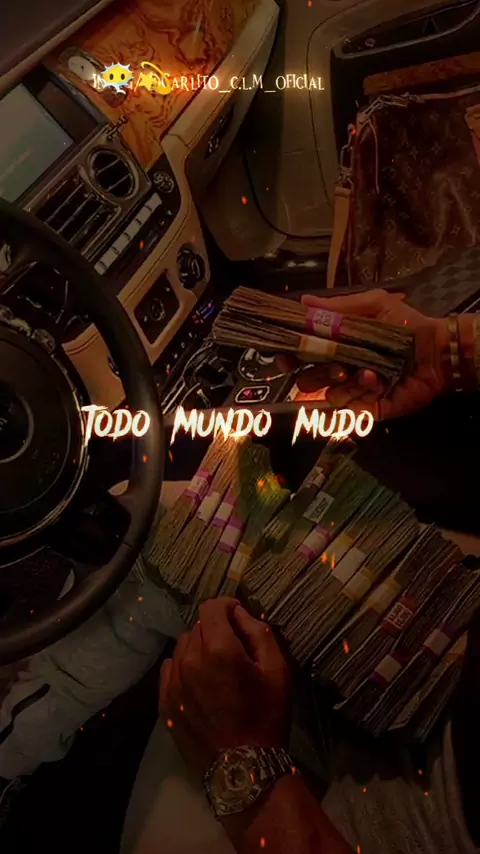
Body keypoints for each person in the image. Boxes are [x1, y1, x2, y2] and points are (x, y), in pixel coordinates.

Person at [2, 290, 479, 854]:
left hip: (425, 805)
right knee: (164, 520)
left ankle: (10, 754)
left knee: (154, 559)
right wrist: (448, 349)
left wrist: (245, 766)